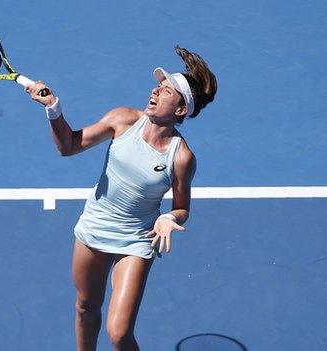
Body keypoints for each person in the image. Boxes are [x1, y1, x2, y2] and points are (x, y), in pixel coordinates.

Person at [25, 46, 217, 351]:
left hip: (136, 240)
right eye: (158, 86)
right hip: (95, 227)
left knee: (118, 334)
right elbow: (69, 146)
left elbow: (182, 207)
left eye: (166, 91)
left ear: (181, 110)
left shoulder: (181, 158)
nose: (155, 90)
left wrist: (168, 218)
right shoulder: (124, 119)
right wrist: (53, 108)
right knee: (86, 309)